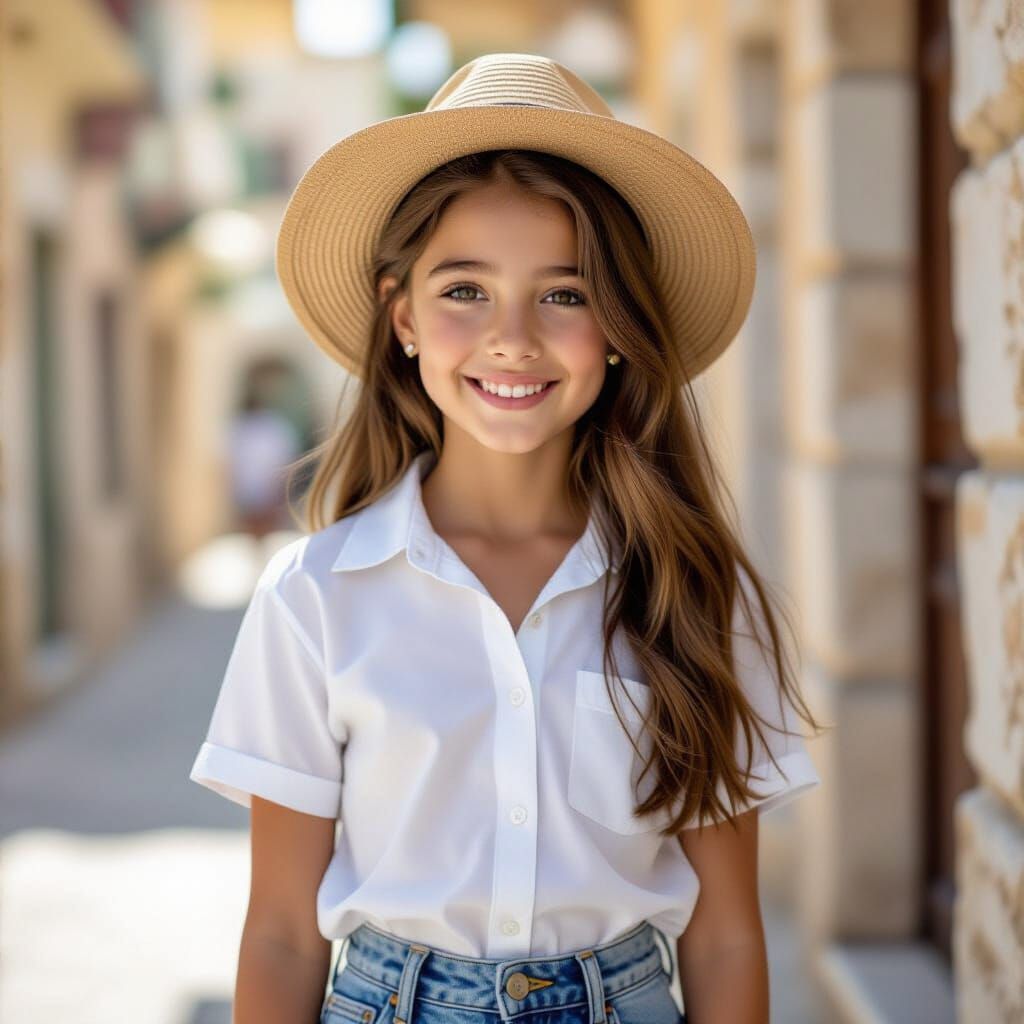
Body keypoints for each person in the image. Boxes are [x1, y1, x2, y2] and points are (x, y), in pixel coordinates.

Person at [189, 52, 827, 1024]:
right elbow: (280, 927)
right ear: (401, 317)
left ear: (617, 326)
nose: (514, 337)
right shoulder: (314, 595)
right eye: (465, 291)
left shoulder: (692, 591)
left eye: (564, 294)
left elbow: (728, 932)